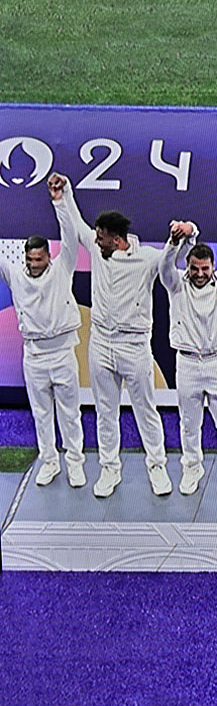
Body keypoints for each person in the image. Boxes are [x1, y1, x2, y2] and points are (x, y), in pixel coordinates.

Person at [59, 179, 198, 498]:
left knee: (145, 410)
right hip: (101, 344)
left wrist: (186, 233)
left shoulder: (147, 258)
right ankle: (109, 469)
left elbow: (174, 260)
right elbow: (77, 224)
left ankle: (157, 467)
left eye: (101, 237)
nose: (96, 241)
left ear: (117, 239)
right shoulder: (98, 250)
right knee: (105, 412)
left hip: (134, 346)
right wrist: (63, 193)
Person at [0, 173, 85, 488]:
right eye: (30, 259)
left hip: (62, 353)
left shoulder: (62, 268)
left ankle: (75, 462)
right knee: (41, 413)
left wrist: (60, 200)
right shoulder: (15, 274)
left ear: (49, 256)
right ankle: (49, 461)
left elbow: (70, 234)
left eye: (39, 259)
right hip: (34, 356)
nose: (34, 264)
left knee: (70, 412)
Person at [158, 221, 217, 496]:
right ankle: (192, 467)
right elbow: (164, 267)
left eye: (205, 269)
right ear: (188, 265)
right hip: (187, 362)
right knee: (189, 424)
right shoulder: (176, 285)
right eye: (194, 268)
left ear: (212, 267)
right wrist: (174, 241)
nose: (199, 274)